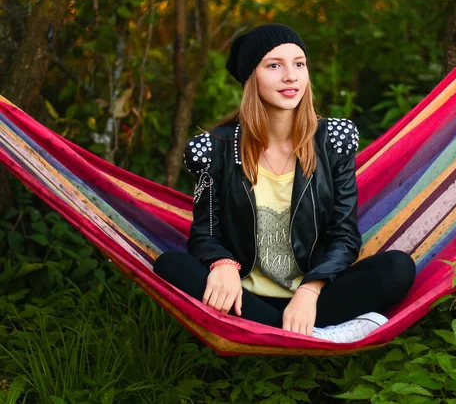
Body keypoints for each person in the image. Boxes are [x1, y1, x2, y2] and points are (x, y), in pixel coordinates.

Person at [153, 23, 416, 343]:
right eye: (274, 65)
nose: (291, 76)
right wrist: (221, 264)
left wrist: (309, 291)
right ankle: (322, 335)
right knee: (170, 265)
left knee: (398, 268)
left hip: (316, 297)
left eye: (299, 64)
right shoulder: (215, 150)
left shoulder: (332, 142)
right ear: (252, 77)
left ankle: (278, 329)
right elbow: (205, 232)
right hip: (245, 297)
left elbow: (345, 236)